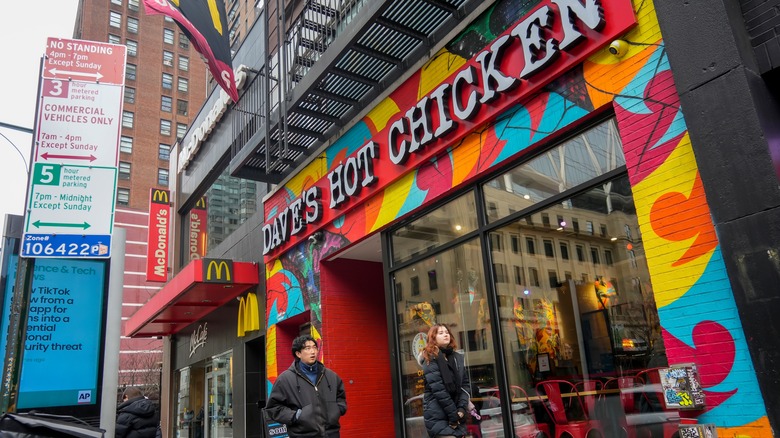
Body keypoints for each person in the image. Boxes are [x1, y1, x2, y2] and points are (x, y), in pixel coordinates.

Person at [266, 335, 347, 437]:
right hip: (302, 435)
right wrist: (296, 416)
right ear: (298, 353)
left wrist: (337, 410)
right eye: (307, 348)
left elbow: (341, 398)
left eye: (314, 347)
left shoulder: (331, 376)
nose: (313, 351)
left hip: (331, 434)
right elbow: (273, 407)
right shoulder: (285, 379)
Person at [419, 324, 471, 438]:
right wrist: (454, 416)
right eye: (441, 333)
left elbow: (465, 385)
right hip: (437, 415)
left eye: (447, 332)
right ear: (433, 338)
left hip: (457, 414)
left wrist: (462, 408)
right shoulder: (429, 358)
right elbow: (439, 391)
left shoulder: (457, 358)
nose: (445, 334)